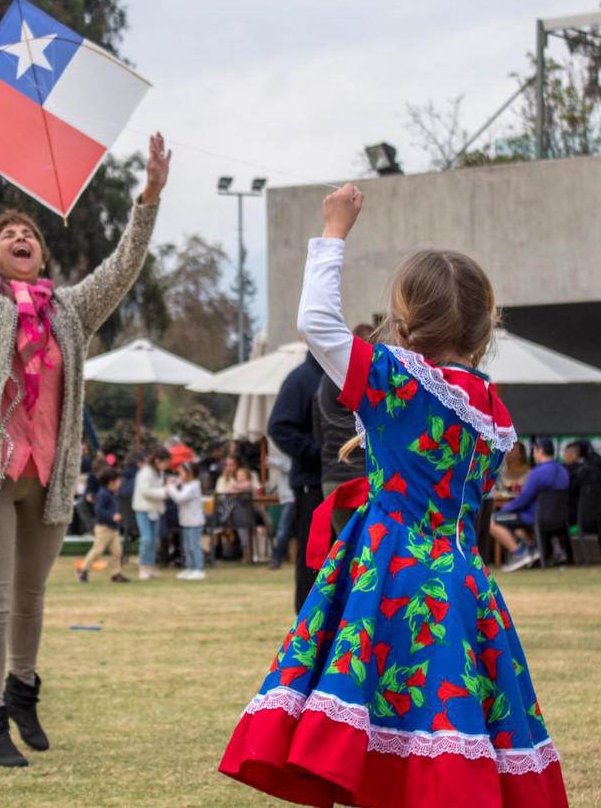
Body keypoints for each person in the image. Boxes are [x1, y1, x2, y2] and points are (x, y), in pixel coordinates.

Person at [221, 183, 567, 806]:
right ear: (484, 326)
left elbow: (316, 323)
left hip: (389, 575)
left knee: (377, 723)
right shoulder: (490, 409)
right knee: (442, 721)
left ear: (407, 321)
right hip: (462, 582)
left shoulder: (397, 381)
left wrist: (333, 233)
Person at [0, 78, 169, 768]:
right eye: (7, 233)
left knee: (33, 594)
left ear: (42, 252)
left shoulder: (69, 310)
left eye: (29, 231)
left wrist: (147, 199)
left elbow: (124, 266)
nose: (19, 235)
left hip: (46, 472)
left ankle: (24, 691)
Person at [268, 340, 325, 612]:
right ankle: (307, 625)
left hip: (335, 482)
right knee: (312, 561)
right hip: (311, 486)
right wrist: (318, 453)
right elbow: (279, 427)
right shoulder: (302, 380)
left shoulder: (333, 376)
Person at [316, 323, 375, 533]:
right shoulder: (374, 376)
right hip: (366, 475)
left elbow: (318, 431)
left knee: (344, 550)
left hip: (332, 475)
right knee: (370, 548)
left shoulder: (326, 378)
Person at [490, 438, 570, 572]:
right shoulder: (563, 471)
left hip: (534, 516)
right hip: (558, 518)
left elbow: (523, 499)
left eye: (534, 451)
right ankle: (534, 550)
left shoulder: (537, 472)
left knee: (492, 521)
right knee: (516, 526)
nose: (533, 454)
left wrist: (504, 509)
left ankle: (519, 554)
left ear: (541, 451)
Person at [77, 469, 130, 584]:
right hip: (103, 528)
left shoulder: (111, 494)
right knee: (97, 551)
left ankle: (116, 574)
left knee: (117, 552)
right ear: (111, 482)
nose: (120, 483)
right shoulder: (103, 494)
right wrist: (112, 516)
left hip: (113, 529)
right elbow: (98, 510)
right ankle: (83, 569)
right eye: (118, 481)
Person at [132, 448, 172, 580]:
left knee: (154, 540)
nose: (166, 465)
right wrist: (165, 491)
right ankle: (144, 567)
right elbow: (146, 491)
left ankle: (151, 567)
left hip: (156, 510)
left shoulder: (158, 472)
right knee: (146, 539)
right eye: (165, 462)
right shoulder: (145, 472)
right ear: (158, 460)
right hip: (144, 510)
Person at [168, 462, 206, 580]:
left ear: (190, 473)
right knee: (187, 546)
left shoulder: (194, 486)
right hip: (186, 521)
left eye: (182, 473)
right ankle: (190, 568)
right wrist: (176, 482)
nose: (180, 475)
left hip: (195, 522)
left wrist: (170, 487)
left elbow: (180, 498)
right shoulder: (187, 484)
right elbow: (180, 486)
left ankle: (198, 569)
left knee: (194, 546)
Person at [265, 442, 295, 571]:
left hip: (291, 497)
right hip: (285, 497)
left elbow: (289, 467)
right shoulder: (284, 452)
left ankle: (276, 557)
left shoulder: (293, 451)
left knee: (283, 529)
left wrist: (272, 462)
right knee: (284, 529)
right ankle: (278, 557)